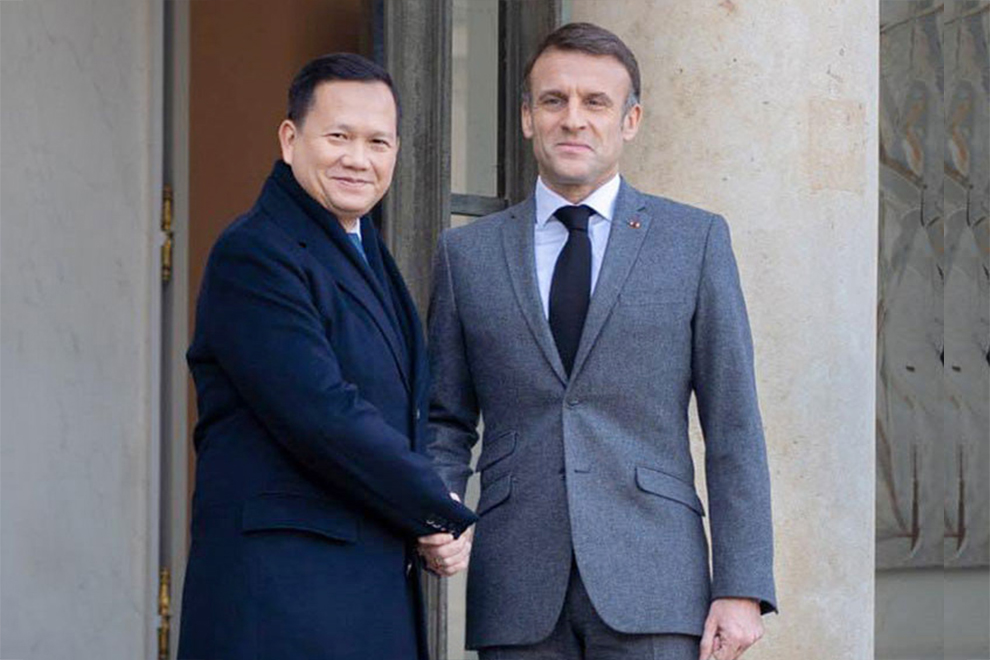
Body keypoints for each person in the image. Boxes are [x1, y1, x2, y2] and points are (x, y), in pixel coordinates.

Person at [420, 23, 776, 660]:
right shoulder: (465, 255)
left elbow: (734, 425)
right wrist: (438, 504)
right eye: (553, 101)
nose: (572, 120)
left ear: (630, 120)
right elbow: (445, 416)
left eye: (596, 103)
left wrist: (742, 586)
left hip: (657, 582)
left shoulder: (693, 242)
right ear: (527, 118)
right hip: (517, 585)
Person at [178, 52, 476, 660]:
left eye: (378, 142)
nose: (358, 159)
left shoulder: (362, 247)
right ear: (290, 139)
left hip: (360, 598)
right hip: (282, 604)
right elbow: (321, 412)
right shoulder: (256, 252)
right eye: (338, 136)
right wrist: (436, 506)